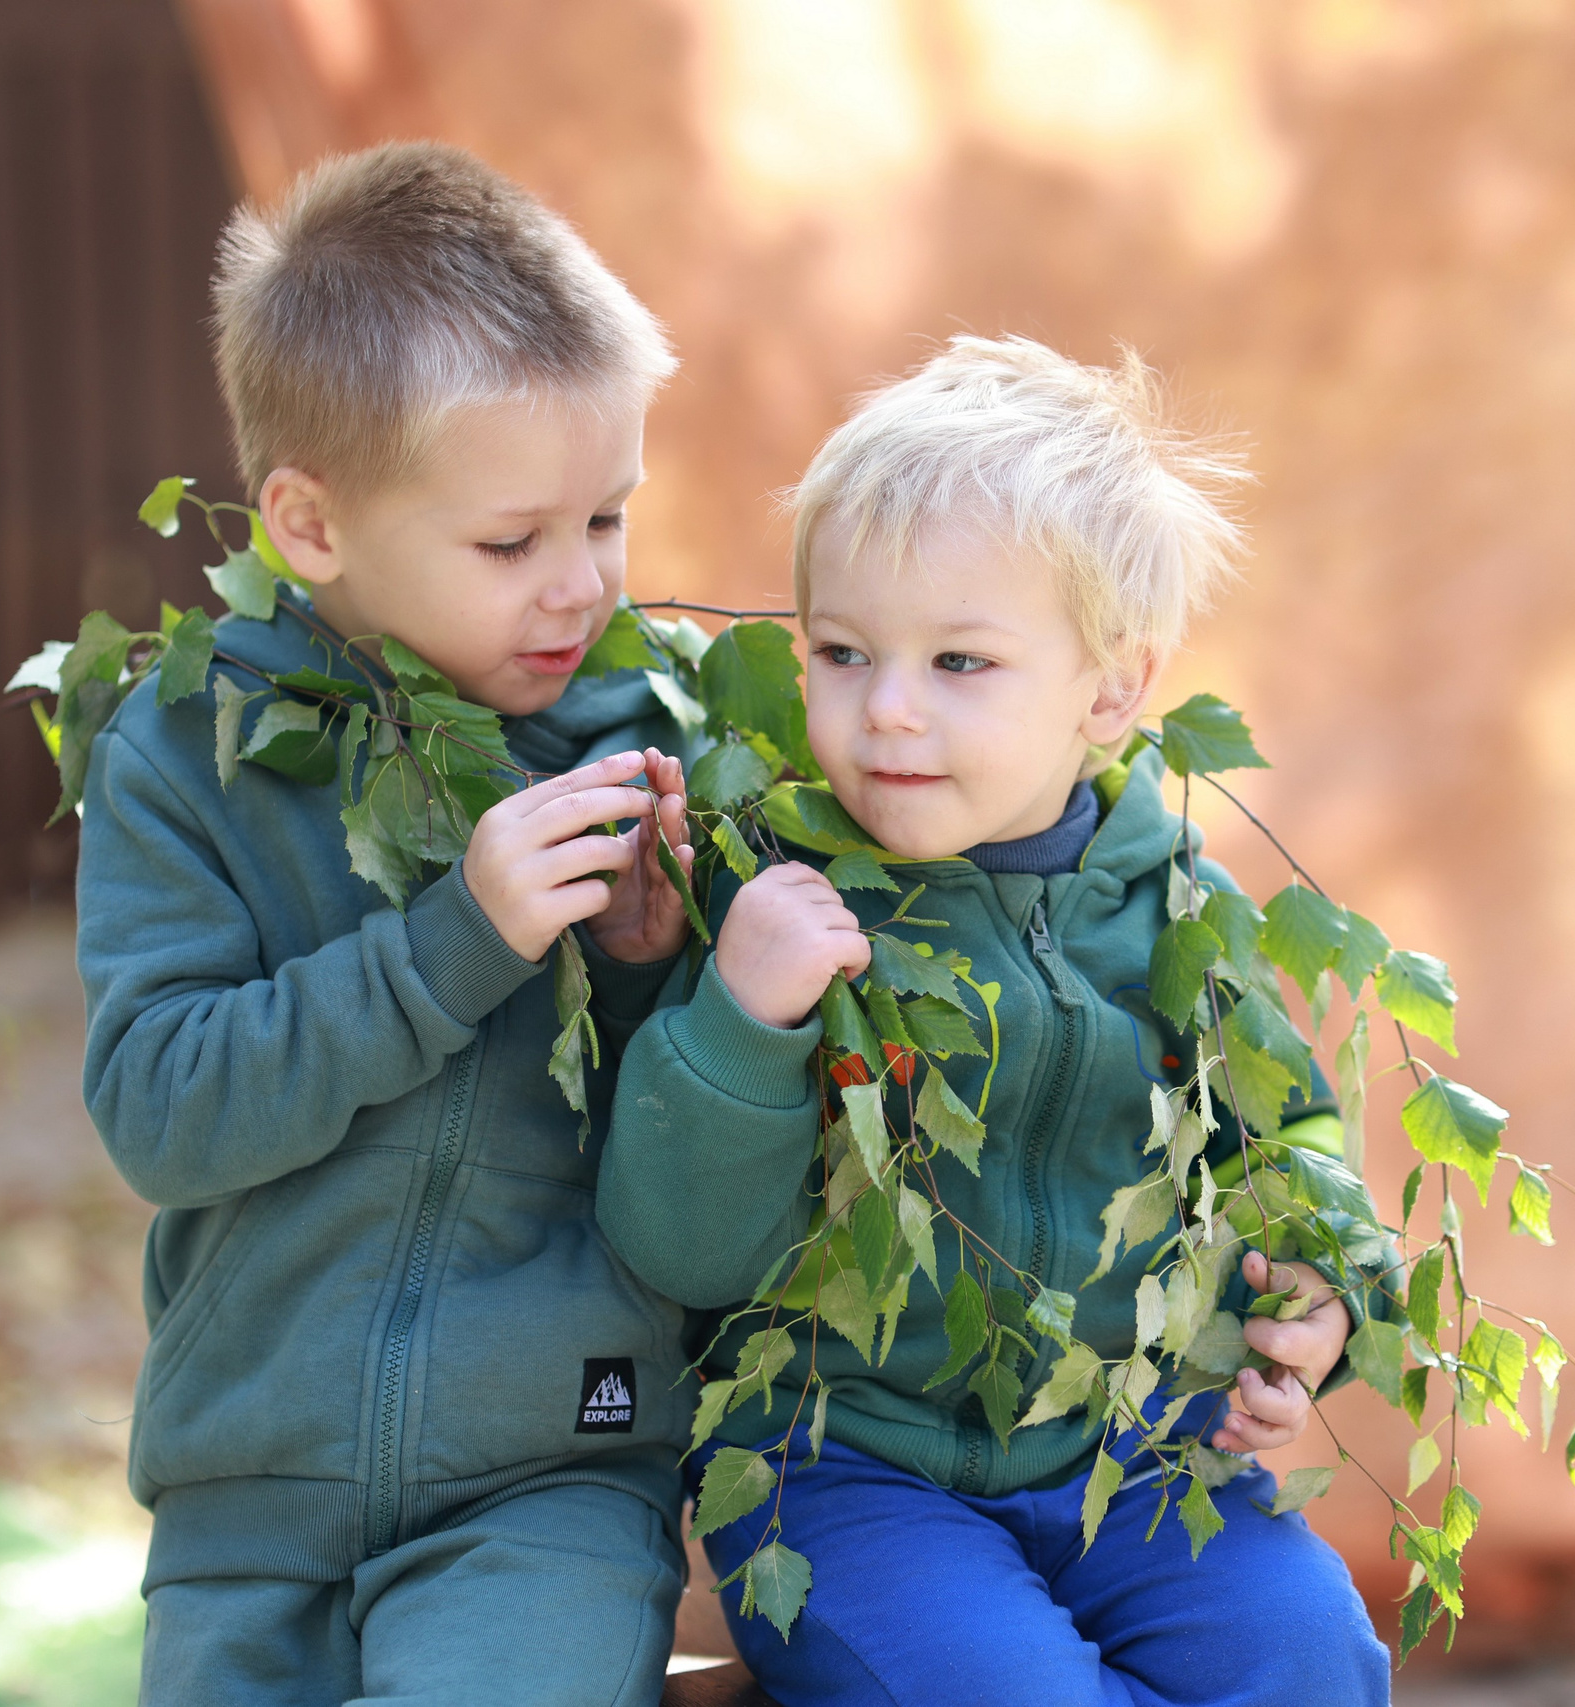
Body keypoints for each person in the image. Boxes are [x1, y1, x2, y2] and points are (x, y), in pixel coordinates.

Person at [597, 336, 1396, 1706]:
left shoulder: (1177, 907)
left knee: (1311, 1662)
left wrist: (1323, 1287)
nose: (887, 709)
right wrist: (740, 1020)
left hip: (1131, 1451)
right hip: (846, 1472)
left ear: (1110, 689)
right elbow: (673, 1242)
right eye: (843, 652)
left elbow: (1291, 1129)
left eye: (961, 661)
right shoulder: (778, 895)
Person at [77, 142, 703, 1707]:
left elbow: (683, 1167)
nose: (581, 589)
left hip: (553, 1474)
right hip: (249, 1491)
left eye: (609, 520)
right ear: (311, 523)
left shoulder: (643, 741)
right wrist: (453, 943)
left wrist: (644, 975)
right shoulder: (187, 754)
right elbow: (161, 1109)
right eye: (513, 543)